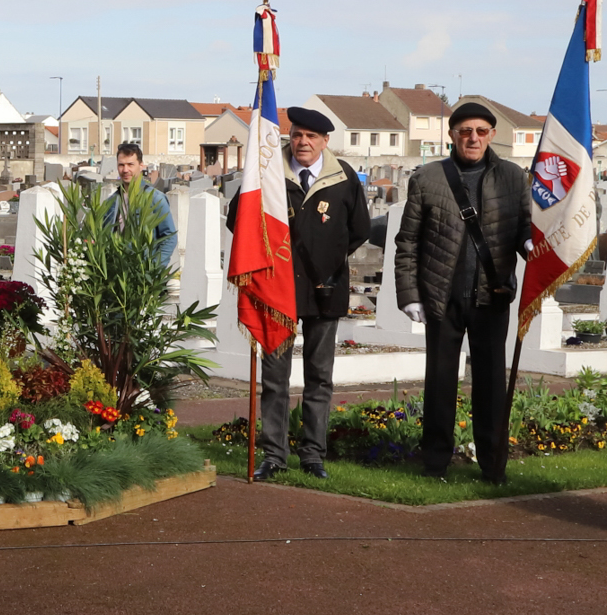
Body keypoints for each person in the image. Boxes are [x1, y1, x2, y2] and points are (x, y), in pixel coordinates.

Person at [227, 106, 370, 478]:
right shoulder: (266, 171)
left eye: (311, 136)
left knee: (319, 376)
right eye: (297, 134)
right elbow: (237, 218)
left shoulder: (344, 177)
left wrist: (328, 257)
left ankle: (312, 454)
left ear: (325, 141)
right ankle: (275, 454)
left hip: (325, 289)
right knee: (275, 377)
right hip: (277, 292)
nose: (303, 142)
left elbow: (359, 229)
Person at [395, 101, 532, 483]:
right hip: (443, 296)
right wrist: (409, 294)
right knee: (440, 383)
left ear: (492, 135)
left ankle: (493, 465)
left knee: (491, 385)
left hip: (492, 295)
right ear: (452, 135)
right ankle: (435, 463)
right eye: (465, 131)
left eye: (481, 131)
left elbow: (524, 224)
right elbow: (408, 241)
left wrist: (530, 244)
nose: (473, 138)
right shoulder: (427, 178)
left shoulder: (512, 177)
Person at [106, 143, 178, 267]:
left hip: (143, 272)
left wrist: (154, 269)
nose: (125, 170)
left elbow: (169, 238)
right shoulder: (112, 201)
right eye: (121, 165)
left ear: (141, 166)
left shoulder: (155, 198)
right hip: (117, 271)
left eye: (130, 164)